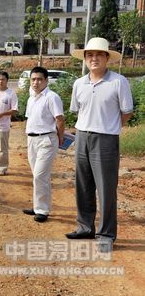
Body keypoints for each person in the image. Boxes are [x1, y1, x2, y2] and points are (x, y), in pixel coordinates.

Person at [66, 37, 133, 246]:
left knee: (106, 188)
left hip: (105, 139)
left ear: (107, 58)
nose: (94, 59)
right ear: (85, 59)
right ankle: (85, 227)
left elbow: (127, 112)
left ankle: (106, 235)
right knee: (83, 185)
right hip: (82, 136)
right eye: (90, 55)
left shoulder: (118, 81)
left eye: (98, 55)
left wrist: (110, 127)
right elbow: (77, 111)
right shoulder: (79, 83)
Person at [22, 66, 65, 223]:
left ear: (46, 81)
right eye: (33, 79)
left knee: (40, 175)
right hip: (32, 139)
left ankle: (42, 210)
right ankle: (37, 206)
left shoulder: (52, 97)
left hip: (47, 140)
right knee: (37, 175)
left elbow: (59, 119)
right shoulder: (31, 98)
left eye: (39, 79)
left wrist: (60, 139)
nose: (36, 82)